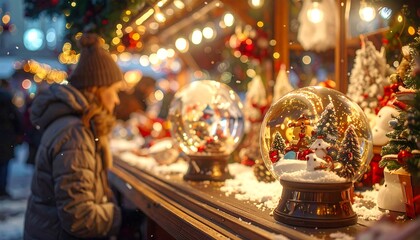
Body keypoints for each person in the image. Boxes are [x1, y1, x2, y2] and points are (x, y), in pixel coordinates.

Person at [24, 33, 126, 239]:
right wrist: (118, 216)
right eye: (114, 91)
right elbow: (80, 218)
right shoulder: (75, 135)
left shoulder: (76, 125)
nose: (116, 100)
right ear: (97, 89)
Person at [0, 79, 23, 199]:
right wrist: (19, 134)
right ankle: (2, 189)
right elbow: (17, 120)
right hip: (6, 138)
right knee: (4, 164)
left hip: (6, 136)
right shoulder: (8, 102)